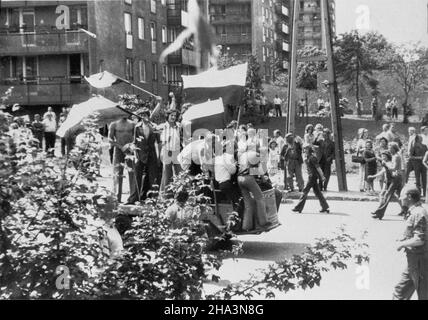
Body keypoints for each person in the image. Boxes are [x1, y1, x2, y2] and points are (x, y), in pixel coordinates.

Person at [392, 185, 428, 300]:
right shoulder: (414, 212)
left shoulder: (418, 213)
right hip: (413, 261)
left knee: (423, 294)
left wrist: (402, 244)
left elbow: (420, 239)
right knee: (400, 291)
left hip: (420, 261)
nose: (400, 198)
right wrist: (404, 239)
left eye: (402, 196)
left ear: (409, 197)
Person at [128, 107, 159, 204]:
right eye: (142, 116)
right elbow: (134, 142)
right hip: (140, 154)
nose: (143, 117)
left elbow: (158, 142)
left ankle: (153, 199)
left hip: (151, 154)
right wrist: (135, 154)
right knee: (137, 177)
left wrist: (158, 156)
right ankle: (134, 199)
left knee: (153, 177)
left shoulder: (154, 126)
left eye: (145, 115)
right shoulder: (137, 127)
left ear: (148, 116)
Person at [237, 149, 272, 232]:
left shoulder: (245, 155)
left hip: (239, 178)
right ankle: (263, 223)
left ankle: (246, 226)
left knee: (248, 204)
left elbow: (246, 169)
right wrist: (264, 179)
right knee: (260, 199)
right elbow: (259, 172)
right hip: (248, 178)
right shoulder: (256, 155)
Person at [368, 143, 404, 220]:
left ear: (394, 148)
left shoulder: (397, 157)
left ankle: (379, 213)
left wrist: (386, 164)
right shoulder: (394, 156)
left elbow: (394, 168)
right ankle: (406, 211)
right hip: (395, 178)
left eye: (390, 148)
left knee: (387, 195)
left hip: (397, 178)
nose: (389, 149)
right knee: (397, 196)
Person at [292, 144, 329, 214]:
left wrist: (322, 176)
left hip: (312, 176)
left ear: (310, 150)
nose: (305, 150)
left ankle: (298, 207)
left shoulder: (312, 158)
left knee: (305, 191)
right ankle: (325, 207)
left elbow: (318, 168)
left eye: (306, 149)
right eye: (304, 149)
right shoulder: (308, 157)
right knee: (317, 192)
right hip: (312, 176)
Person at [108, 116, 136, 203]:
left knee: (132, 172)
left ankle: (132, 198)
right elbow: (110, 139)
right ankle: (116, 197)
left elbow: (136, 137)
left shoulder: (132, 124)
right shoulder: (114, 124)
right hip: (118, 150)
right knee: (117, 173)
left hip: (130, 150)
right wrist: (120, 146)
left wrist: (130, 146)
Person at [158, 109, 182, 194]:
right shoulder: (162, 126)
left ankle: (180, 195)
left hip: (177, 152)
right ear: (167, 116)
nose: (173, 117)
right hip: (166, 151)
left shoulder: (178, 126)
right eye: (171, 115)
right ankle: (164, 196)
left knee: (180, 174)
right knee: (167, 175)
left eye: (175, 116)